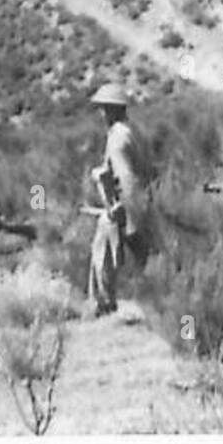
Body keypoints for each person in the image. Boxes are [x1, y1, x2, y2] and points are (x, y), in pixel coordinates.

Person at [86, 83, 156, 317]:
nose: (101, 114)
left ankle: (104, 302)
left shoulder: (117, 137)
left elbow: (127, 176)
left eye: (104, 109)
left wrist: (125, 211)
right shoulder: (133, 130)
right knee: (143, 258)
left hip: (128, 205)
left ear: (112, 110)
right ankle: (154, 300)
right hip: (145, 200)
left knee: (102, 248)